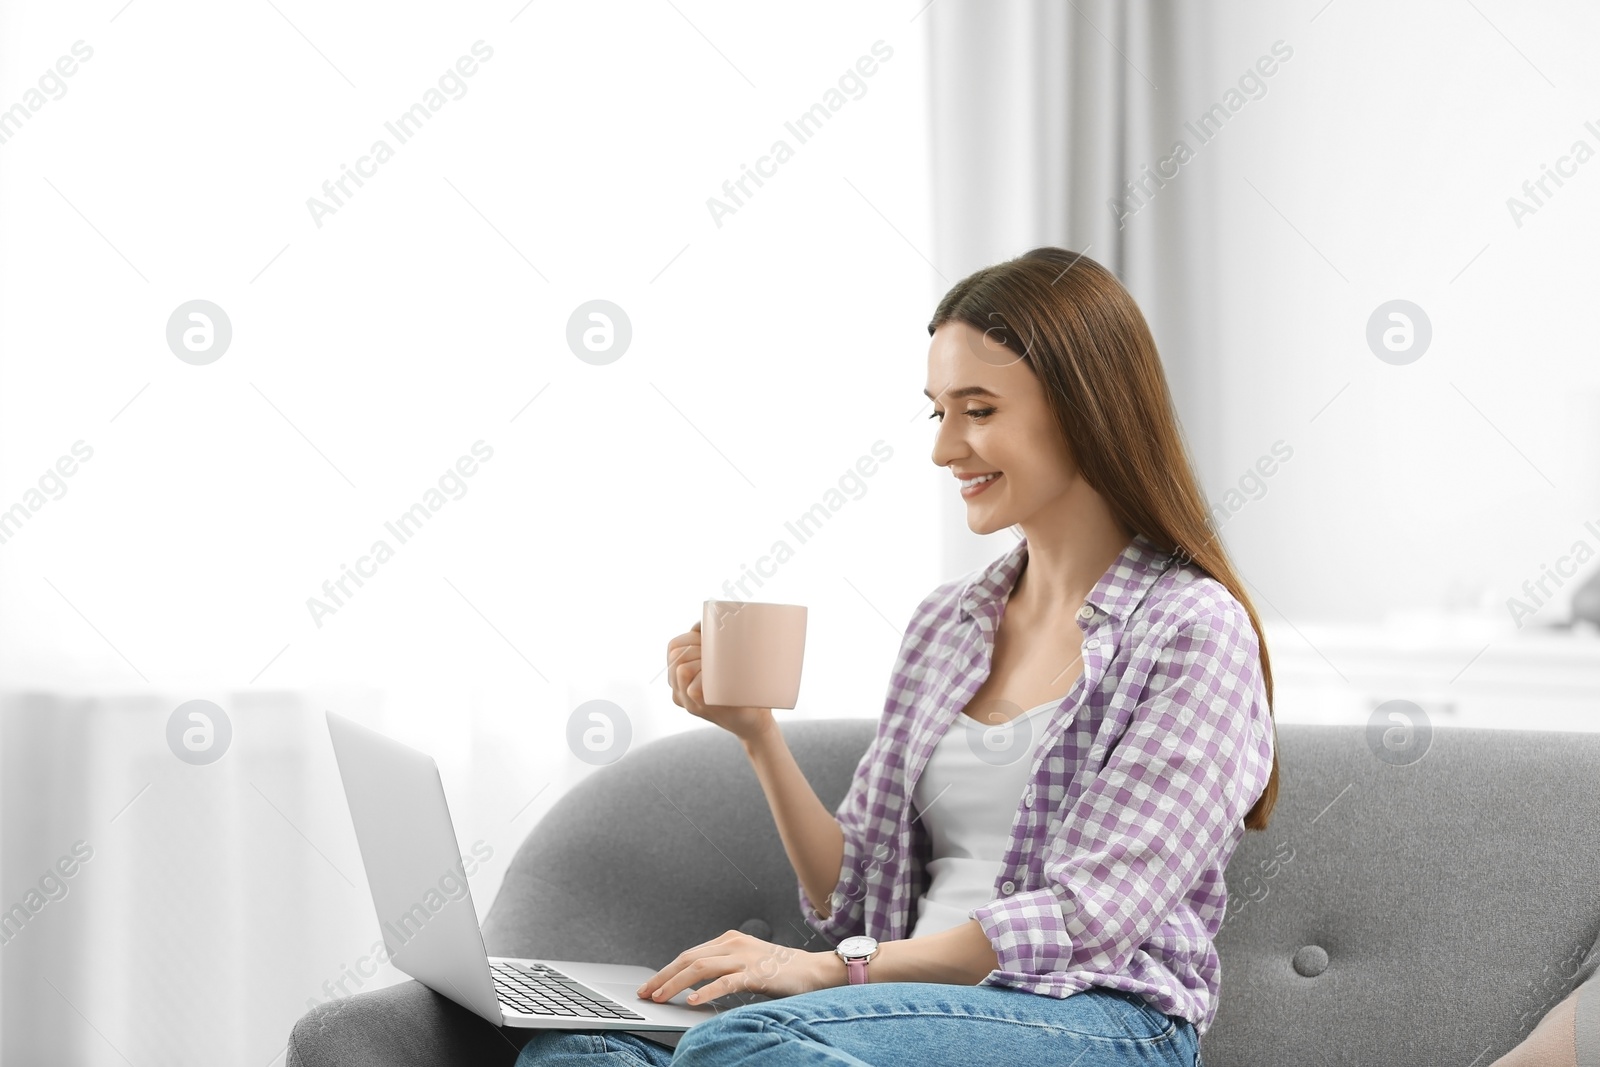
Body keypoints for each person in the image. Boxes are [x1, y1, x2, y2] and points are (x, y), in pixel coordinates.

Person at [516, 246, 1280, 1067]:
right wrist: (757, 735)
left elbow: (1086, 918)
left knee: (746, 1047)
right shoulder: (948, 622)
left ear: (1084, 408)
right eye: (937, 412)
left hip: (1097, 1016)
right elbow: (851, 895)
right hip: (899, 1013)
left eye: (978, 410)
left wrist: (829, 971)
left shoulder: (1193, 630)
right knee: (582, 1050)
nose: (945, 448)